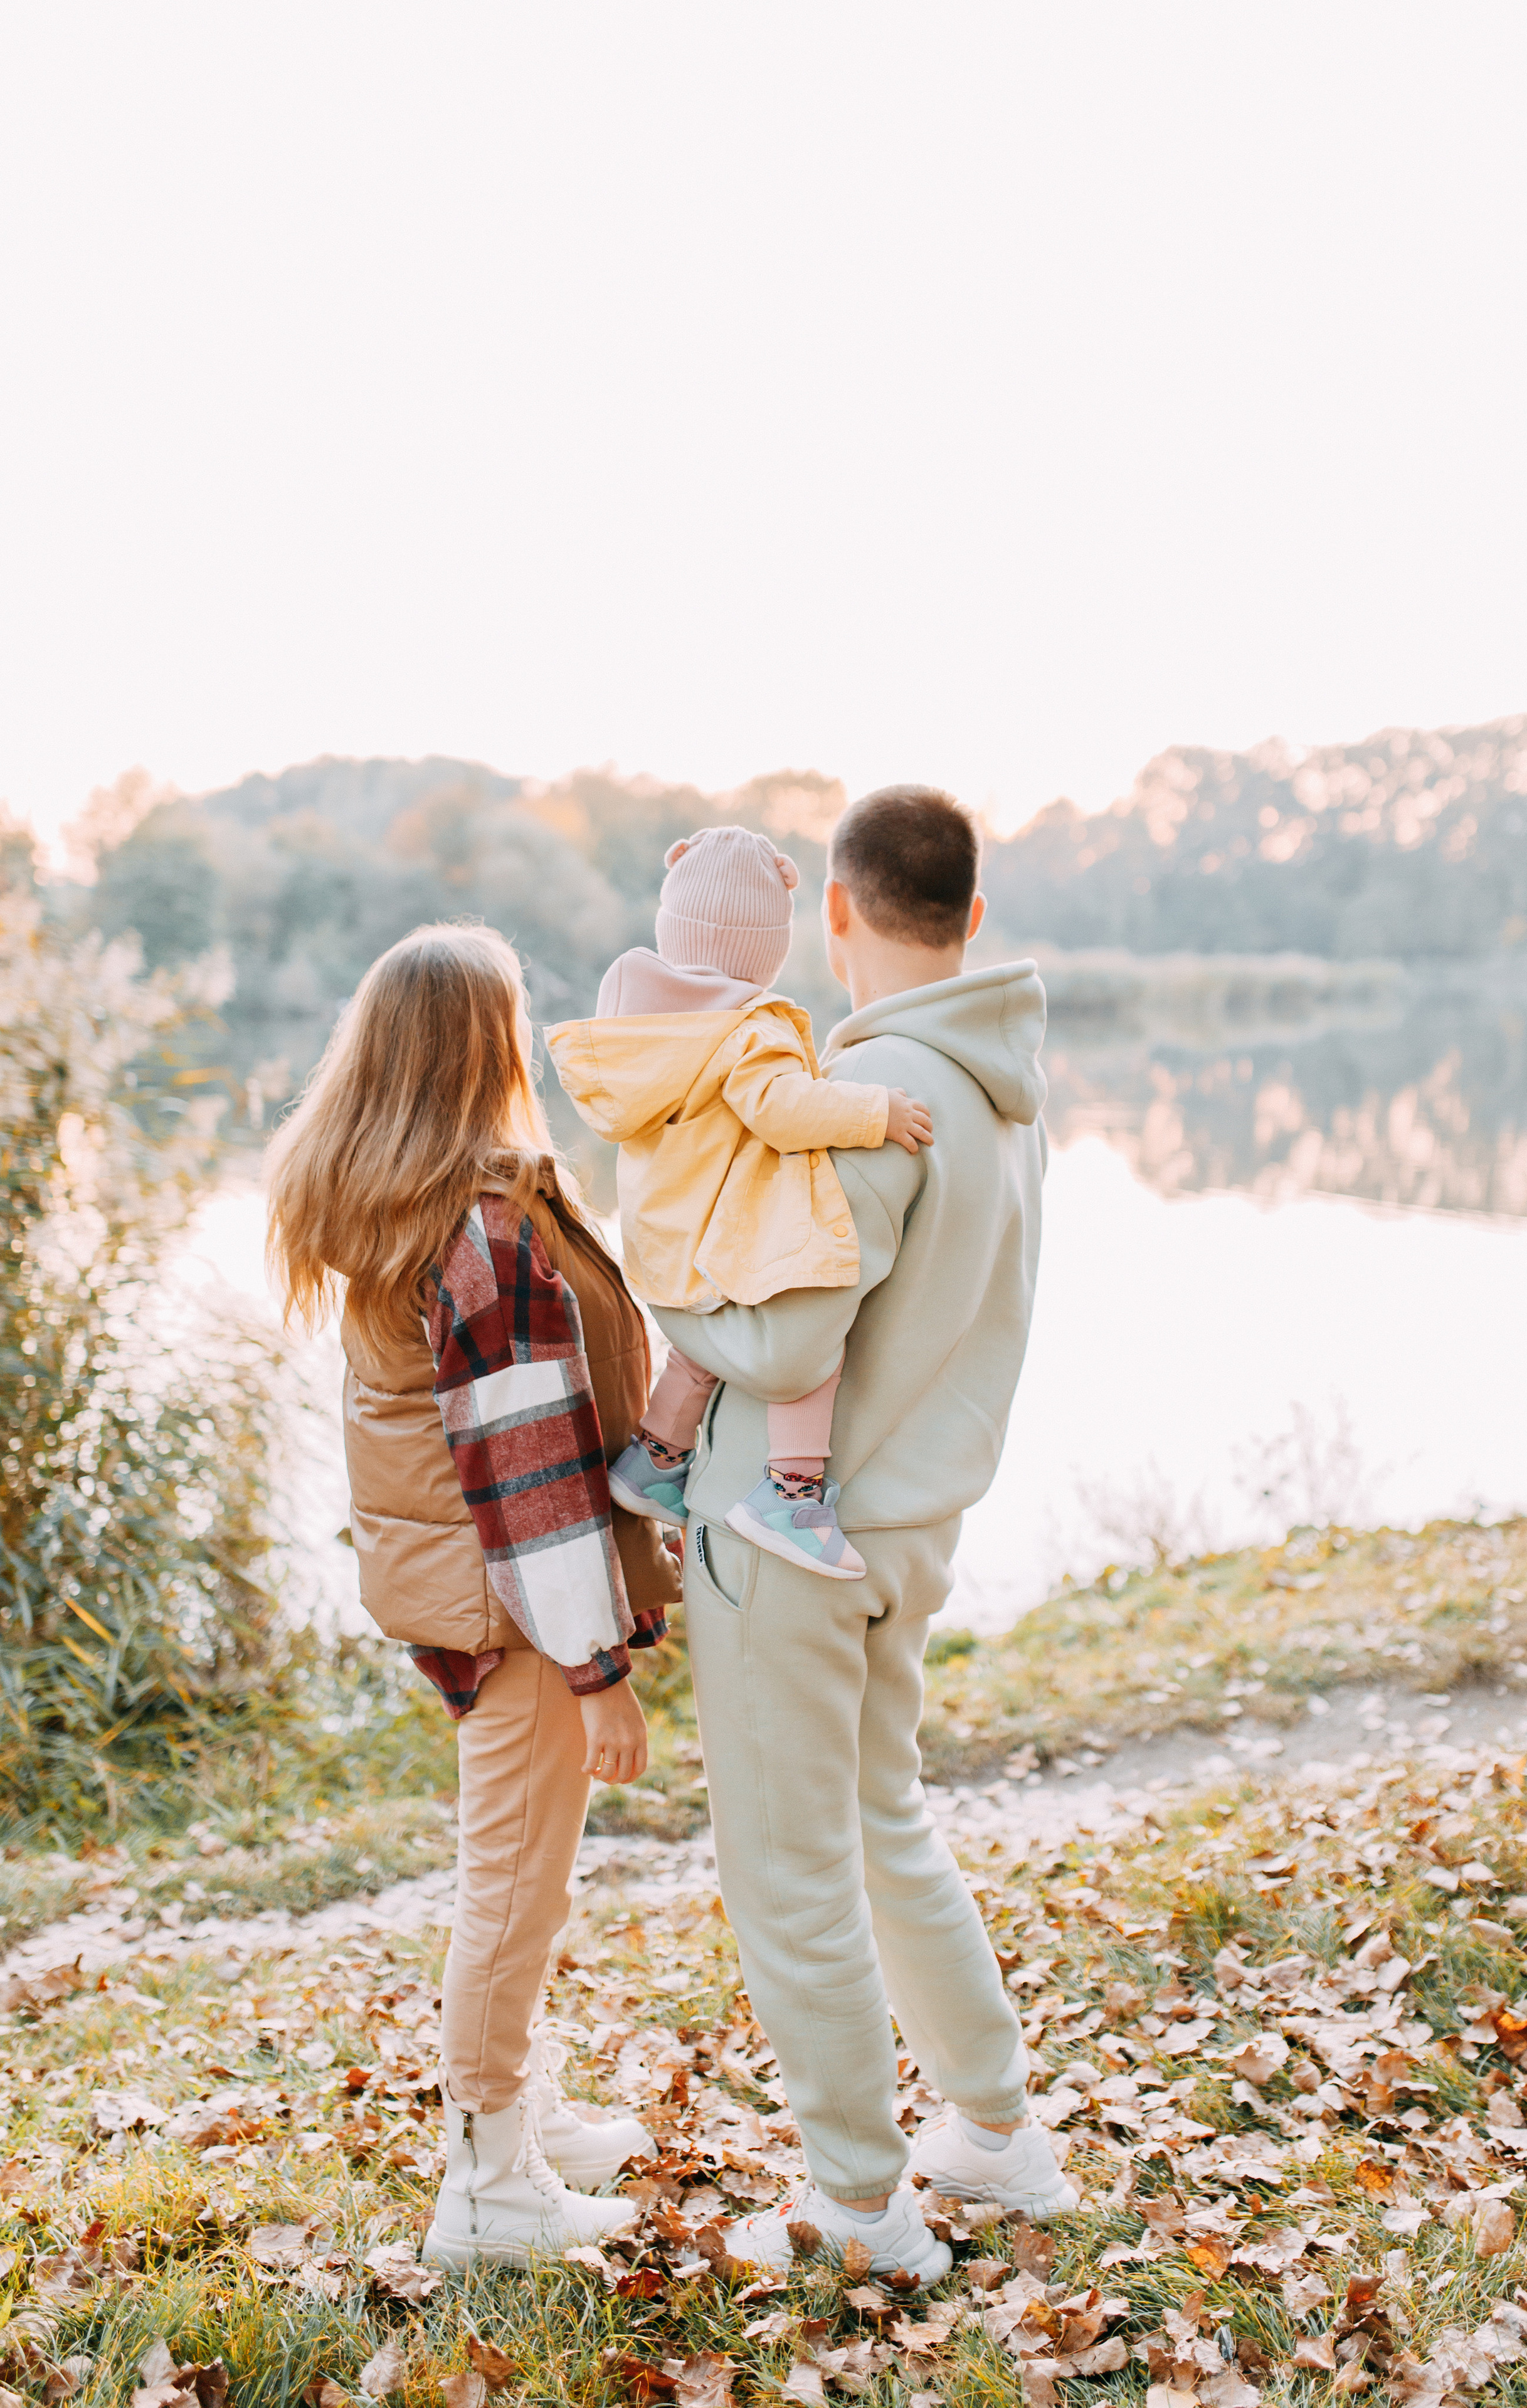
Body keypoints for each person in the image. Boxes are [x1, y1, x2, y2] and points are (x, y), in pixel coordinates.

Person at [653, 787, 1067, 2286]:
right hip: (907, 1525)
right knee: (882, 1818)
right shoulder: (1004, 1086)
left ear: (835, 911)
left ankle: (855, 2195)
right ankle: (997, 2131)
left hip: (790, 1534)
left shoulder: (873, 1087)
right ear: (971, 913)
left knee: (790, 1862)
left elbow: (785, 1332)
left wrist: (670, 1298)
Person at [263, 923, 680, 2269]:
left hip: (470, 1601)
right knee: (509, 1886)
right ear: (480, 1050)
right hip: (516, 1614)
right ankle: (488, 2185)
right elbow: (531, 1474)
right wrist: (595, 1669)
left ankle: (521, 2121)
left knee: (518, 1874)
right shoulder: (479, 1234)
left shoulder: (408, 1206)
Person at [545, 823, 933, 1580]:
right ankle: (791, 1493)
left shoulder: (635, 1026)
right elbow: (782, 1110)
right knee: (811, 1337)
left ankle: (655, 1459)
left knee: (705, 1349)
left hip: (662, 1248)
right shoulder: (751, 1030)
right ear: (768, 948)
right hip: (723, 1238)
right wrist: (872, 1111)